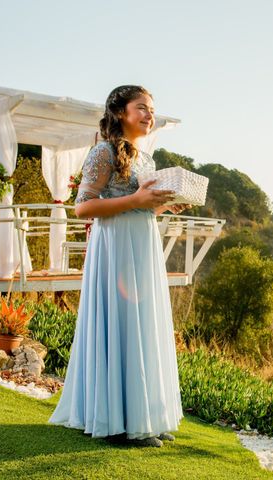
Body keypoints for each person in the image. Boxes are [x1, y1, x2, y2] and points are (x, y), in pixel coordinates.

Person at [49, 85, 187, 447]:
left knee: (141, 326)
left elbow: (139, 205)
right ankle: (116, 422)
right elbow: (82, 207)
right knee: (119, 324)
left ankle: (143, 418)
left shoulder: (146, 159)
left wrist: (161, 206)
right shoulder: (103, 151)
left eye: (152, 109)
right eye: (141, 108)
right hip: (114, 249)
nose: (149, 115)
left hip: (141, 245)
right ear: (120, 112)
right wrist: (138, 199)